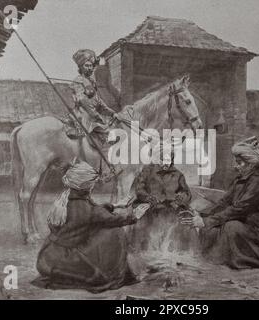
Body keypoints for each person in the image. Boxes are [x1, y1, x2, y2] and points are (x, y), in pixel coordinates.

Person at [31, 159, 148, 293]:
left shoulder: (65, 199)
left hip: (47, 257)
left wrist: (116, 205)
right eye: (92, 183)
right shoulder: (88, 209)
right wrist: (135, 215)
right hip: (63, 261)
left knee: (99, 228)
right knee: (116, 232)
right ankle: (112, 272)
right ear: (86, 185)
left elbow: (94, 211)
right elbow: (114, 219)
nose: (94, 185)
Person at [180, 137, 259, 270]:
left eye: (239, 163)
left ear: (250, 164)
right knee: (214, 227)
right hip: (247, 226)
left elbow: (238, 209)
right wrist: (203, 216)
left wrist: (206, 221)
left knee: (231, 226)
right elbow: (225, 202)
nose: (236, 166)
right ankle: (211, 256)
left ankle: (243, 260)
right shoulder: (241, 180)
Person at [130, 145, 193, 252]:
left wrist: (180, 199)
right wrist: (148, 198)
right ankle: (140, 250)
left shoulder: (178, 175)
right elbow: (139, 189)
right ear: (158, 159)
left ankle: (180, 251)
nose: (165, 163)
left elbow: (187, 192)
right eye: (162, 159)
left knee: (185, 219)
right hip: (150, 205)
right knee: (140, 219)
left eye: (168, 159)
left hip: (172, 207)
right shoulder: (147, 171)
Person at [67, 49, 117, 138]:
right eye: (87, 65)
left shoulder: (91, 82)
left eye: (91, 66)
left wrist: (113, 114)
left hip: (93, 116)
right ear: (81, 67)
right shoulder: (78, 81)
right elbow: (84, 103)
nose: (90, 68)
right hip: (84, 117)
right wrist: (99, 118)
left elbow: (99, 102)